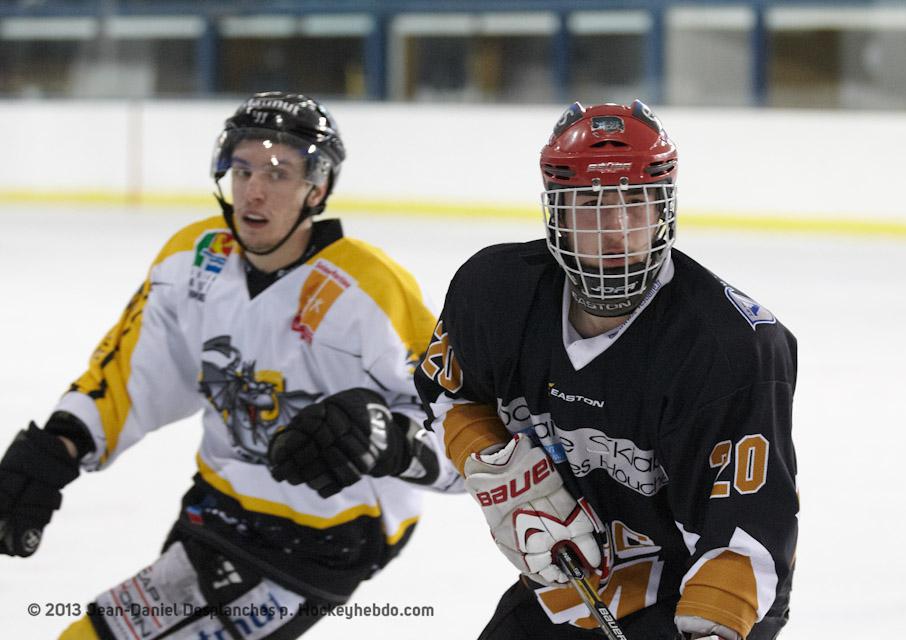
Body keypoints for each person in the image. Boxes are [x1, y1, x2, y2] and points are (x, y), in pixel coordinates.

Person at [0, 92, 460, 640]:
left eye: (278, 172)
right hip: (217, 510)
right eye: (242, 169)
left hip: (326, 537)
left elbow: (464, 433)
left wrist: (391, 439)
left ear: (318, 188)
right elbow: (129, 373)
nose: (254, 190)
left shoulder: (370, 289)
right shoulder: (195, 259)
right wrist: (59, 446)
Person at [413, 100, 799, 640]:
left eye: (637, 201)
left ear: (666, 207)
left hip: (686, 601)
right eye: (590, 204)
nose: (616, 228)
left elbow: (745, 530)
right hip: (566, 591)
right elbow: (450, 393)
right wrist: (507, 478)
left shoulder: (729, 345)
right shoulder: (495, 292)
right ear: (556, 212)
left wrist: (711, 627)